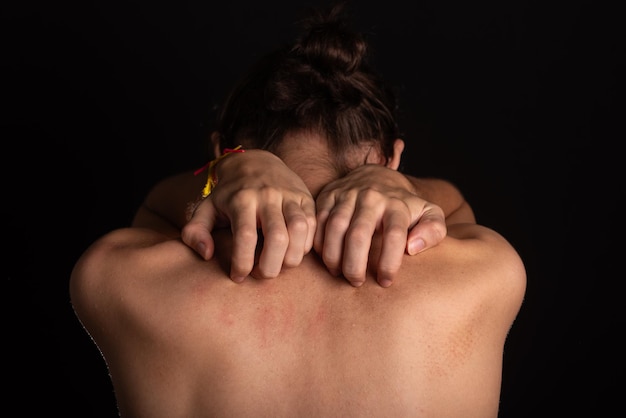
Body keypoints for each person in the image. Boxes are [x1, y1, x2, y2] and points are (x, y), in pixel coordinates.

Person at [70, 2, 526, 417]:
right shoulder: (484, 274)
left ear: (220, 155)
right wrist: (394, 184)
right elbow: (453, 204)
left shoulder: (125, 280)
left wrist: (228, 171)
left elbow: (155, 207)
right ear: (394, 158)